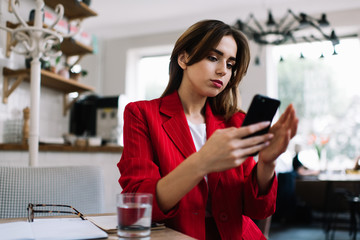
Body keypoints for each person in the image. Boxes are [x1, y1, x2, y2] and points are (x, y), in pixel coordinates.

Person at [117, 19, 298, 240]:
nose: (223, 70)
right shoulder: (141, 114)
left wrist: (267, 163)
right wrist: (203, 161)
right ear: (183, 59)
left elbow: (258, 210)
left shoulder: (236, 121)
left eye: (230, 64)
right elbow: (138, 202)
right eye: (213, 58)